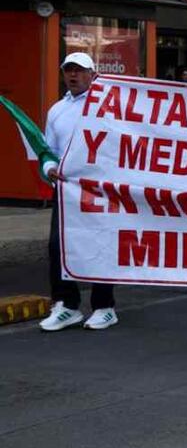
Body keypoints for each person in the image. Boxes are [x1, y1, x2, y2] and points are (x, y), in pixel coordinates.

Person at [39, 53, 118, 332]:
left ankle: (104, 306)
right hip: (67, 190)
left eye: (79, 70)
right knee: (57, 246)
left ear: (92, 74)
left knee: (100, 245)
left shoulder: (108, 107)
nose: (73, 75)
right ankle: (66, 305)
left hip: (99, 189)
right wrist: (49, 168)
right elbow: (47, 151)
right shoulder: (57, 110)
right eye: (68, 70)